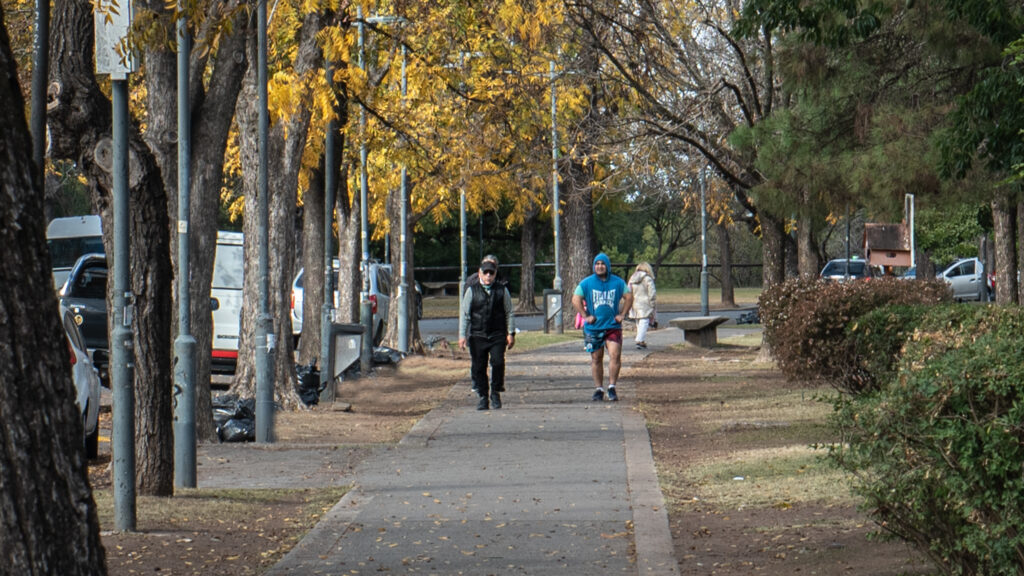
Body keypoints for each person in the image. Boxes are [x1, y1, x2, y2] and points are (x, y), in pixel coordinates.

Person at [572, 253, 633, 402]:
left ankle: (612, 386)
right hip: (594, 328)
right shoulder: (587, 283)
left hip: (612, 326)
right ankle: (598, 389)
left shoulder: (618, 282)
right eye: (597, 264)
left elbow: (629, 297)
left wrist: (622, 314)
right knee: (596, 358)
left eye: (603, 264)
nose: (600, 266)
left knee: (615, 355)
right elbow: (575, 298)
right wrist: (585, 315)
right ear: (594, 266)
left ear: (608, 266)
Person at [459, 258, 516, 410]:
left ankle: (496, 391)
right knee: (479, 366)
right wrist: (462, 335)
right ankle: (483, 396)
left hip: (497, 334)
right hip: (478, 334)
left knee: (497, 362)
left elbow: (509, 312)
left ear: (495, 274)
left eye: (491, 273)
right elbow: (465, 314)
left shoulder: (501, 290)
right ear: (480, 274)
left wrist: (510, 333)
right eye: (486, 273)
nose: (488, 276)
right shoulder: (472, 291)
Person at [628, 262, 657, 349]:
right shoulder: (648, 279)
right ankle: (639, 340)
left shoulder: (632, 279)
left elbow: (628, 291)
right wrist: (652, 304)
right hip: (645, 304)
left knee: (638, 322)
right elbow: (652, 293)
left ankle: (641, 339)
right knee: (644, 321)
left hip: (635, 303)